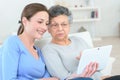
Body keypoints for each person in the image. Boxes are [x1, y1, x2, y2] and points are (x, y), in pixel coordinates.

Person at [1, 3, 59, 80]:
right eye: (40, 22)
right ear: (25, 21)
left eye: (46, 23)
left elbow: (46, 76)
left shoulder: (38, 50)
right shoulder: (12, 43)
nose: (44, 27)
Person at [41, 5, 100, 80]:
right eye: (54, 25)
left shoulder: (79, 40)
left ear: (69, 26)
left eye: (64, 24)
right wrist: (84, 65)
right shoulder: (48, 50)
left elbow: (97, 65)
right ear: (48, 29)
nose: (60, 29)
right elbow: (64, 77)